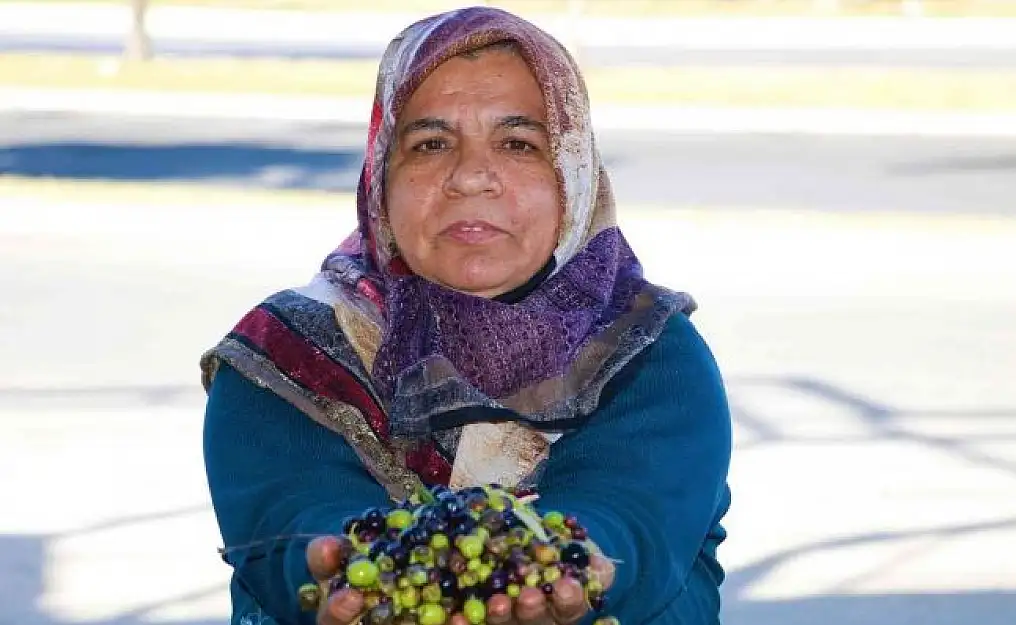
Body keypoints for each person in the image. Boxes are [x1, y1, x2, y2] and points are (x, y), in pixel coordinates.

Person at [200, 6, 732, 625]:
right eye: (430, 143)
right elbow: (296, 524)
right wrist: (359, 567)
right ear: (380, 177)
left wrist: (571, 562)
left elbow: (632, 515)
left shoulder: (650, 352)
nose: (471, 177)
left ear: (572, 174)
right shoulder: (287, 358)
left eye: (517, 143)